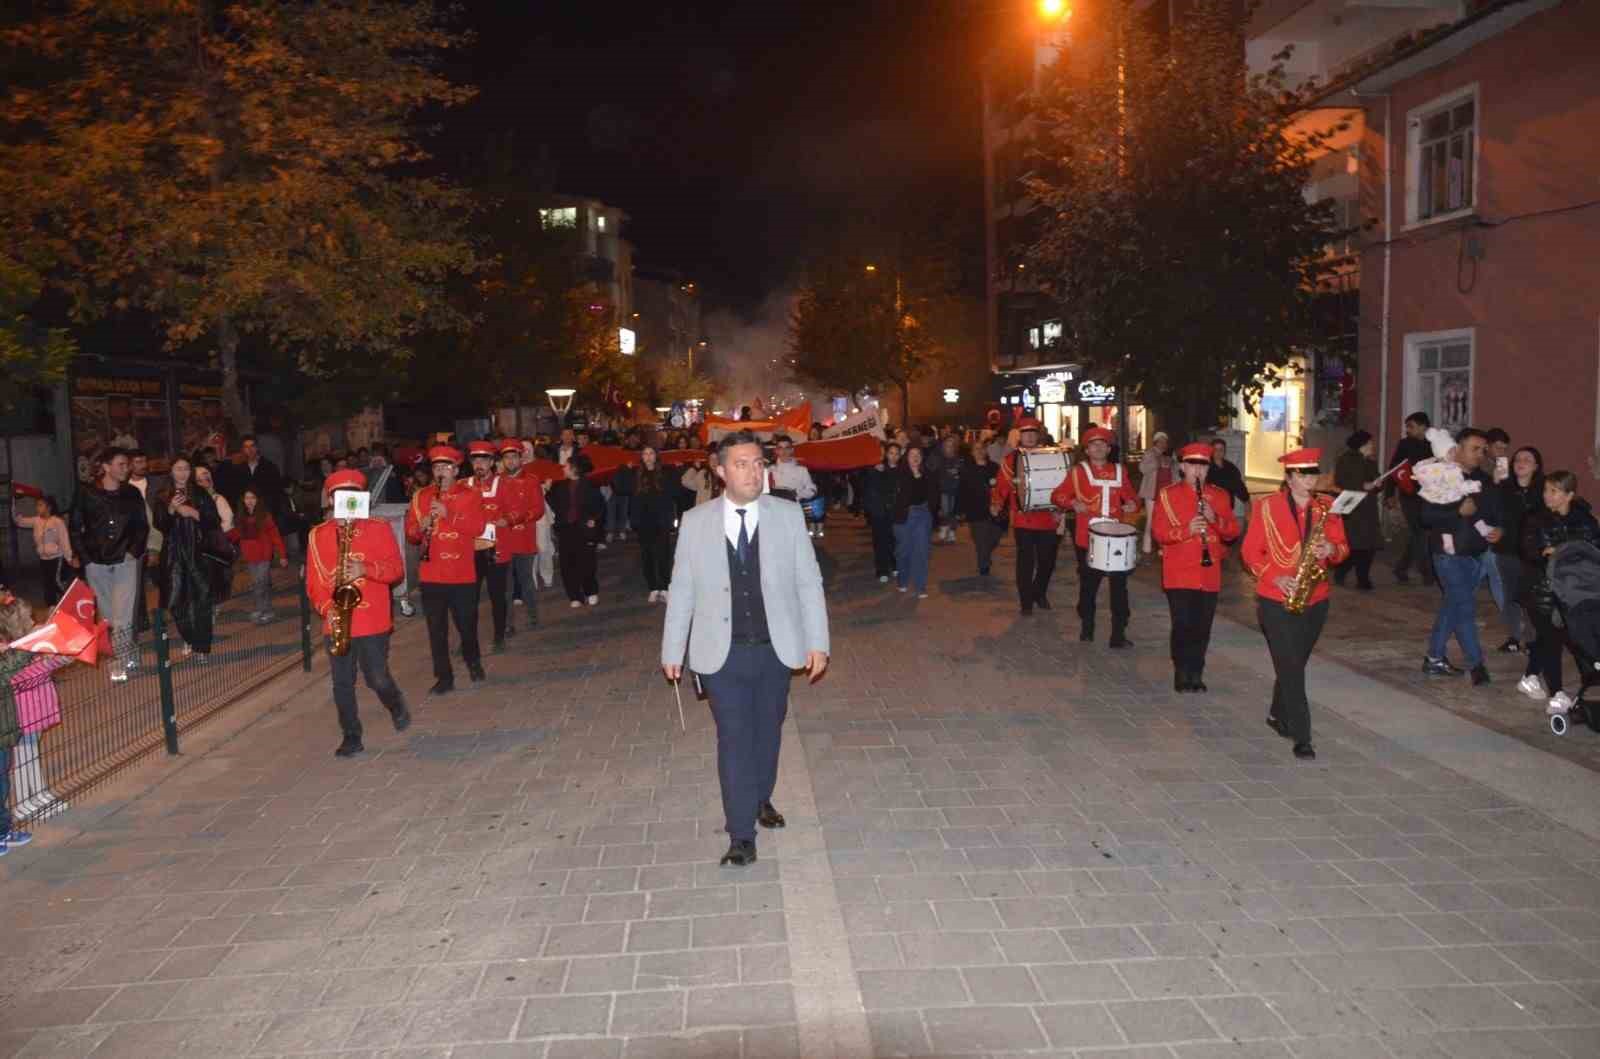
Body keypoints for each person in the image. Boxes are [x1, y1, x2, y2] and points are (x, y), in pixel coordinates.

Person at [661, 431, 829, 867]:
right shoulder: (697, 522)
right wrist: (672, 649)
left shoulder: (787, 515)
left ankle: (760, 797)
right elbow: (682, 590)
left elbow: (809, 581)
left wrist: (818, 642)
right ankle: (740, 834)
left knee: (768, 732)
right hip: (721, 655)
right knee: (734, 740)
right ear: (720, 471)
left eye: (758, 463)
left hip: (775, 649)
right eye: (742, 463)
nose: (753, 471)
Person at [1241, 449, 1350, 760]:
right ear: (1288, 478)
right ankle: (1302, 735)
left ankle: (1277, 713)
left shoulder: (1327, 507)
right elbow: (1250, 553)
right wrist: (1275, 578)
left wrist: (1331, 549)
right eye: (1302, 474)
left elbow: (1343, 549)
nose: (1309, 480)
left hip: (1316, 598)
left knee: (1293, 662)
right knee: (1291, 666)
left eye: (1313, 473)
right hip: (1275, 598)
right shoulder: (1266, 507)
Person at [307, 468, 411, 758]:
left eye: (351, 497)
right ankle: (351, 735)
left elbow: (396, 571)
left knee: (377, 677)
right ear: (331, 500)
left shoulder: (378, 528)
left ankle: (395, 703)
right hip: (338, 619)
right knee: (342, 682)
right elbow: (314, 582)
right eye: (340, 498)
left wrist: (366, 569)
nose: (345, 504)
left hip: (372, 618)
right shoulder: (317, 535)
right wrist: (327, 609)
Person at [1152, 443, 1241, 692]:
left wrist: (1215, 519)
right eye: (1192, 465)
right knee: (1182, 624)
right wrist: (1186, 530)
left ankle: (1196, 672)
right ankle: (1182, 672)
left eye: (1203, 465)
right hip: (1179, 571)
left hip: (1209, 571)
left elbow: (1233, 531)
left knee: (1203, 626)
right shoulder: (1167, 495)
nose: (1197, 471)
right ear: (1182, 467)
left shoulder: (1220, 495)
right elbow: (1159, 532)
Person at [1420, 428, 1502, 684]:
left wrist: (1500, 530)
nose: (1480, 454)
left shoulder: (1484, 480)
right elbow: (1425, 516)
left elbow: (1493, 514)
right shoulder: (1439, 475)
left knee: (1453, 605)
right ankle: (1476, 664)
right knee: (1464, 607)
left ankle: (1434, 658)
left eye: (1482, 449)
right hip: (1448, 554)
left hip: (1476, 554)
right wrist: (1457, 511)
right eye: (1474, 448)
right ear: (1458, 448)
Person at [1517, 470, 1600, 715]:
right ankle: (1557, 693)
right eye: (1545, 490)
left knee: (1557, 637)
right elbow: (1529, 550)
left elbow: (1593, 549)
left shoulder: (1585, 520)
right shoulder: (1534, 518)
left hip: (1575, 589)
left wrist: (1564, 550)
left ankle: (1530, 676)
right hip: (1541, 589)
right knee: (1553, 638)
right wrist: (1547, 552)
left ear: (1569, 495)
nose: (1547, 496)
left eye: (1554, 491)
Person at [405, 445, 487, 694]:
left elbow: (478, 528)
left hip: (461, 572)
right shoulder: (421, 497)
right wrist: (421, 527)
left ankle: (473, 661)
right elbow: (411, 535)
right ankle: (444, 676)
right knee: (436, 629)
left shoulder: (470, 494)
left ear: (456, 469)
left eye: (446, 467)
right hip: (432, 573)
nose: (440, 472)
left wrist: (448, 513)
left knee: (466, 624)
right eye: (436, 467)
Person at [1051, 426, 1141, 646]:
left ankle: (1118, 634)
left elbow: (1133, 498)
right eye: (1094, 444)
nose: (1099, 447)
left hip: (1116, 539)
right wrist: (1072, 502)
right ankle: (1087, 627)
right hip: (1087, 539)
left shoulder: (1121, 471)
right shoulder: (1078, 472)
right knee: (1088, 587)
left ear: (1109, 449)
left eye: (1103, 444)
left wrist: (1131, 504)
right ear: (1087, 449)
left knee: (1119, 589)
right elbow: (1057, 495)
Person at [67, 448, 150, 681]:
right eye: (121, 464)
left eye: (127, 464)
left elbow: (141, 526)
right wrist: (86, 558)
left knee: (123, 616)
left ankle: (119, 663)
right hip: (97, 564)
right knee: (109, 618)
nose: (126, 468)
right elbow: (74, 527)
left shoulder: (132, 493)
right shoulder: (86, 494)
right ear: (106, 467)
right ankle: (130, 652)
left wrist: (133, 552)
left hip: (125, 561)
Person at [990, 417, 1061, 615]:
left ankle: (1038, 592)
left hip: (1047, 518)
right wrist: (996, 502)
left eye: (1033, 433)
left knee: (1048, 562)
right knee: (1025, 562)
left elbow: (1061, 484)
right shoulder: (1011, 459)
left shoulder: (1052, 455)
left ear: (1039, 435)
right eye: (1025, 433)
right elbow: (1002, 485)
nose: (1029, 437)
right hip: (1023, 519)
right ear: (1019, 436)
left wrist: (1061, 508)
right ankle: (1026, 601)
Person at [153, 457, 221, 662]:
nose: (183, 473)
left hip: (199, 553)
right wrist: (172, 510)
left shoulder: (200, 493)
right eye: (178, 469)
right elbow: (159, 525)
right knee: (176, 602)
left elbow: (213, 521)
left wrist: (193, 513)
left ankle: (202, 647)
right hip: (174, 555)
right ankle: (190, 639)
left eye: (186, 469)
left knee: (202, 600)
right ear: (171, 471)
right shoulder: (163, 496)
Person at [467, 440, 516, 652]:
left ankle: (499, 636)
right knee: (468, 599)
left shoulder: (504, 483)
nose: (479, 464)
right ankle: (467, 639)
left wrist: (508, 519)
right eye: (475, 460)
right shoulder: (463, 485)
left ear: (492, 462)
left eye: (483, 460)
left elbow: (517, 510)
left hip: (496, 548)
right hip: (469, 550)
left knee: (497, 596)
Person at [1496, 446, 1543, 655]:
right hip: (1508, 550)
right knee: (1510, 596)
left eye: (1527, 459)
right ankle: (1514, 637)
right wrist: (1496, 484)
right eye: (1517, 460)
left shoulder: (1543, 490)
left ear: (1536, 466)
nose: (1521, 463)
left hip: (1533, 553)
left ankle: (1533, 640)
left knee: (1531, 598)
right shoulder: (1505, 487)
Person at [497, 439, 545, 631]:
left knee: (526, 582)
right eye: (506, 458)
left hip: (524, 538)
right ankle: (508, 624)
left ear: (521, 458)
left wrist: (516, 518)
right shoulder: (496, 481)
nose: (510, 461)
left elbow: (538, 510)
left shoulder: (532, 480)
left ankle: (533, 617)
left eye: (513, 457)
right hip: (503, 541)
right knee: (506, 586)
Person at [1386, 412, 1435, 585]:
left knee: (1418, 534)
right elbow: (1394, 468)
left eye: (1411, 426)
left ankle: (1402, 567)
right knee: (1420, 532)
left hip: (1430, 494)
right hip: (1409, 494)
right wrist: (1389, 493)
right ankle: (1426, 572)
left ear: (1423, 426)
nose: (1408, 430)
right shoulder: (1405, 444)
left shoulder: (1434, 444)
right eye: (1407, 426)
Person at [549, 453, 604, 607]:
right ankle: (575, 596)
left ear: (574, 468)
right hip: (566, 529)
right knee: (567, 564)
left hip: (584, 529)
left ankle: (590, 591)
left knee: (587, 563)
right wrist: (547, 491)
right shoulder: (559, 486)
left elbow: (599, 506)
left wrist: (594, 519)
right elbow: (556, 506)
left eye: (566, 465)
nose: (563, 468)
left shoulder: (590, 485)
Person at [1332, 431, 1382, 591]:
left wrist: (1379, 483)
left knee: (1368, 546)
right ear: (1362, 445)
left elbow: (1375, 479)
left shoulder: (1369, 461)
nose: (1372, 446)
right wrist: (1363, 485)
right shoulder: (1346, 459)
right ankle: (1344, 572)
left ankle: (1362, 578)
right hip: (1351, 505)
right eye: (1370, 443)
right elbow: (1342, 480)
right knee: (1356, 546)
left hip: (1367, 508)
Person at [631, 445, 678, 602]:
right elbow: (626, 492)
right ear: (642, 457)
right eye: (645, 453)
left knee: (663, 554)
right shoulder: (637, 474)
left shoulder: (665, 473)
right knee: (647, 556)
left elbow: (673, 494)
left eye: (651, 453)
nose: (648, 456)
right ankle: (653, 587)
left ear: (656, 456)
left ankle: (664, 587)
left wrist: (670, 519)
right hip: (644, 522)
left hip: (661, 520)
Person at [892, 443, 939, 597]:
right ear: (906, 457)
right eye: (912, 454)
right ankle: (903, 579)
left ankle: (920, 586)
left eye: (918, 454)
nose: (916, 457)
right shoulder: (898, 473)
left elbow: (934, 495)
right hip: (905, 515)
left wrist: (933, 510)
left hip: (923, 514)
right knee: (904, 551)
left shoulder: (928, 474)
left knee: (922, 550)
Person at [236, 487, 287, 623]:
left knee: (261, 583)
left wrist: (282, 555)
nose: (250, 501)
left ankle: (264, 609)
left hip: (264, 554)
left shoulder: (265, 516)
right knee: (257, 583)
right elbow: (238, 536)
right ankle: (263, 609)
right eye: (247, 498)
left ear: (258, 500)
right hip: (250, 556)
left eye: (253, 498)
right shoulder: (241, 516)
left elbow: (275, 536)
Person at [12, 495, 72, 607]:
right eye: (37, 505)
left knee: (57, 583)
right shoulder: (36, 521)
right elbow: (17, 520)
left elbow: (64, 540)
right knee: (47, 584)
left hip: (56, 558)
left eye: (40, 505)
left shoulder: (57, 521)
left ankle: (70, 603)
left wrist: (69, 558)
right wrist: (14, 500)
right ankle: (51, 608)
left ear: (48, 507)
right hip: (43, 559)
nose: (37, 508)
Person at [959, 439, 1004, 577]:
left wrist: (1000, 504)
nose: (979, 451)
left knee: (995, 536)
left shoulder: (994, 467)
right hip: (975, 510)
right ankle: (983, 566)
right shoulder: (966, 469)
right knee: (981, 540)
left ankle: (985, 555)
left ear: (986, 450)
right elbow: (961, 490)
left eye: (981, 448)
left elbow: (1002, 487)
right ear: (972, 453)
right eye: (976, 449)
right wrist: (960, 510)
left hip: (994, 509)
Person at [192, 463, 235, 605]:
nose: (204, 482)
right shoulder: (194, 501)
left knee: (216, 580)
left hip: (214, 548)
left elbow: (228, 523)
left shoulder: (218, 499)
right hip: (202, 547)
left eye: (207, 478)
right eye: (199, 480)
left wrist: (212, 535)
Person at [862, 443, 902, 583]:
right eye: (891, 453)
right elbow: (870, 488)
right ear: (886, 454)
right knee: (880, 541)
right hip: (880, 512)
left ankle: (895, 564)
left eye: (897, 453)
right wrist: (875, 470)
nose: (894, 456)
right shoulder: (878, 468)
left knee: (895, 540)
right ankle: (882, 570)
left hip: (895, 512)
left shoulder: (902, 471)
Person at [768, 435, 821, 537]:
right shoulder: (770, 470)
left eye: (787, 448)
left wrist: (796, 494)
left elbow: (812, 489)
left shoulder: (801, 470)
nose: (784, 451)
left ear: (792, 450)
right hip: (774, 514)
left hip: (795, 512)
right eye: (780, 448)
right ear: (776, 451)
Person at [1138, 432, 1173, 554]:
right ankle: (1146, 547)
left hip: (1165, 493)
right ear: (1156, 442)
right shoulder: (1150, 453)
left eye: (1165, 442)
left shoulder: (1168, 456)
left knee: (1164, 520)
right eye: (1161, 441)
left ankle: (1162, 546)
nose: (1163, 444)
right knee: (1151, 520)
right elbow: (1142, 468)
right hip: (1152, 492)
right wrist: (1158, 463)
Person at [934, 434, 962, 544]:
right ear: (943, 447)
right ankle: (944, 532)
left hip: (955, 489)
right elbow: (935, 472)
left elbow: (962, 472)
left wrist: (958, 472)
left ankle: (951, 533)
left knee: (952, 511)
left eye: (951, 446)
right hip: (944, 489)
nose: (949, 448)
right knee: (945, 511)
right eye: (947, 446)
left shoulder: (958, 459)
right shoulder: (940, 458)